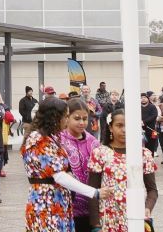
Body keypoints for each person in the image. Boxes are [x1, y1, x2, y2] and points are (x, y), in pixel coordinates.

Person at [22, 95, 107, 231]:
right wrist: (94, 192)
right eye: (66, 116)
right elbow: (58, 175)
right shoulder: (38, 139)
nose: (67, 120)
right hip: (47, 203)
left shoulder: (51, 137)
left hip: (58, 201)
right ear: (55, 117)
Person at [89, 106, 159, 232]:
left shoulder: (143, 154)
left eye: (128, 125)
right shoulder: (100, 153)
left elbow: (152, 190)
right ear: (110, 127)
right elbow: (93, 191)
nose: (124, 130)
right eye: (119, 125)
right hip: (108, 218)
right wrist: (95, 225)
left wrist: (147, 208)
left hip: (135, 217)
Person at [59, 98, 100, 232]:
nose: (82, 122)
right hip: (67, 207)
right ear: (67, 117)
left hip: (92, 207)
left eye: (85, 118)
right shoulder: (58, 140)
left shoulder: (93, 142)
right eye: (77, 118)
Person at [140, 92, 160, 157]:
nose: (143, 99)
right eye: (141, 98)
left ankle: (151, 161)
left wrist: (144, 122)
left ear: (148, 98)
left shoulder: (152, 106)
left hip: (152, 130)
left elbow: (154, 116)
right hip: (140, 130)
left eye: (144, 97)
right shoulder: (137, 107)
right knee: (142, 147)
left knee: (151, 147)